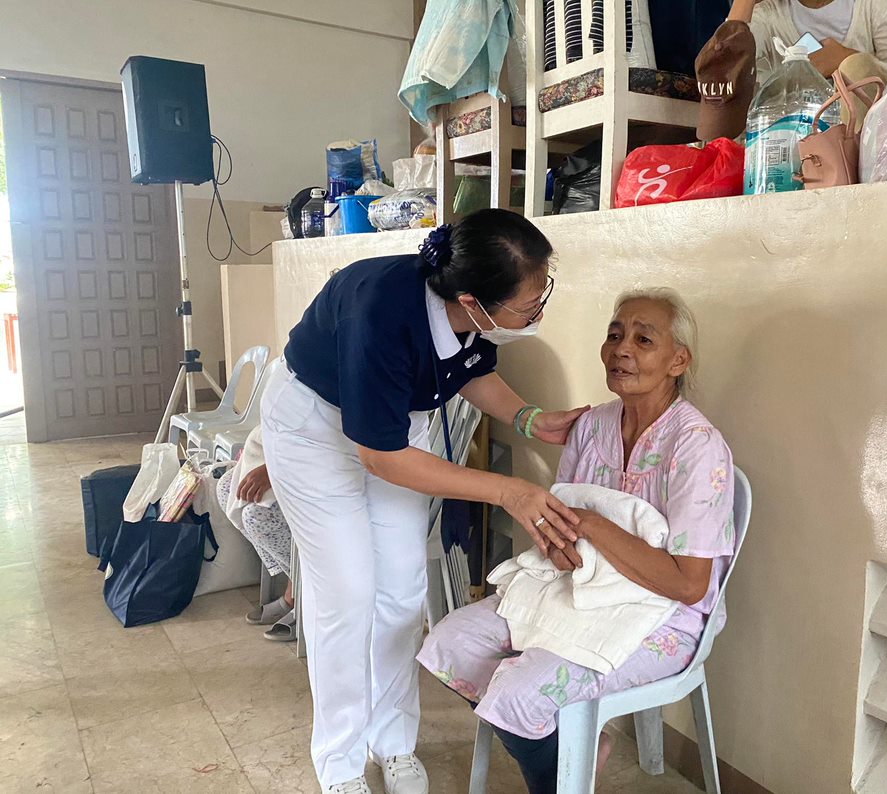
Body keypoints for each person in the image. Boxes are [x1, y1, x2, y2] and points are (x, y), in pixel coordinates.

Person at [260, 209, 590, 794]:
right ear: (473, 298)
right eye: (529, 303)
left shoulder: (465, 314)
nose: (537, 312)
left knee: (403, 589)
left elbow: (468, 372)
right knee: (348, 593)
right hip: (314, 430)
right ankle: (338, 766)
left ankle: (394, 743)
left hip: (389, 428)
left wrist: (530, 418)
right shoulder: (379, 314)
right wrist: (508, 490)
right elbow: (382, 459)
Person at [417, 288, 736, 794]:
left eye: (643, 339)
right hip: (575, 587)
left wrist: (591, 525)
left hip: (664, 614)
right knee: (449, 645)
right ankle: (571, 750)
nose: (621, 349)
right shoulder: (591, 426)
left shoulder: (696, 446)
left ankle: (561, 777)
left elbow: (690, 585)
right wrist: (558, 542)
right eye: (614, 335)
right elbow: (559, 521)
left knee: (520, 693)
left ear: (678, 360)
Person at [215, 425, 297, 641]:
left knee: (257, 516)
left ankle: (306, 594)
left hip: (317, 459)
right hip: (284, 444)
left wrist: (274, 470)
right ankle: (296, 584)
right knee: (226, 488)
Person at [739, 0, 887, 84]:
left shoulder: (877, 4)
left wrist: (851, 60)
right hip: (795, 148)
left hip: (869, 142)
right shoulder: (767, 15)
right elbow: (724, 70)